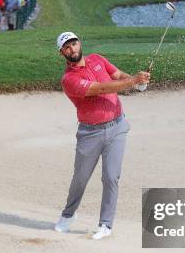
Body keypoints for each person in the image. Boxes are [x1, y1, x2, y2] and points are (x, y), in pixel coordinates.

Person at [54, 32, 150, 240]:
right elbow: (101, 88)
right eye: (67, 47)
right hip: (90, 133)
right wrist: (133, 81)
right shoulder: (69, 79)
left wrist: (138, 82)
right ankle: (68, 215)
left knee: (111, 176)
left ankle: (106, 225)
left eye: (74, 43)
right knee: (80, 178)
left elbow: (117, 76)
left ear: (79, 43)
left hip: (117, 127)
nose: (72, 49)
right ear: (62, 53)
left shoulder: (98, 59)